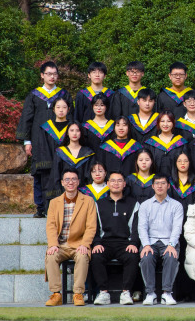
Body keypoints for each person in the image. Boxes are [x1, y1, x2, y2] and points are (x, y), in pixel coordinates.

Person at [16, 61, 69, 217]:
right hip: (39, 141)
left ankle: (60, 206)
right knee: (40, 172)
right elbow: (27, 118)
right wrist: (27, 142)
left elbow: (71, 117)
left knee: (61, 172)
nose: (52, 77)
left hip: (61, 140)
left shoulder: (64, 95)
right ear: (42, 75)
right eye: (49, 74)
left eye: (55, 74)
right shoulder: (34, 95)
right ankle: (40, 207)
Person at [44, 169, 97, 306]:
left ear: (78, 182)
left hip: (78, 244)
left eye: (74, 179)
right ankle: (56, 294)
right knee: (51, 256)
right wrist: (53, 244)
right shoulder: (54, 202)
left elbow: (91, 226)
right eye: (67, 179)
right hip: (61, 245)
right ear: (62, 183)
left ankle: (78, 294)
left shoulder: (88, 201)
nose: (70, 182)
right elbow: (51, 226)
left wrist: (85, 244)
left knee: (82, 256)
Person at [90, 171, 140, 306]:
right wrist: (96, 243)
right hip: (105, 243)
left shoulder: (133, 203)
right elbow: (94, 227)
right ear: (107, 184)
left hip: (125, 243)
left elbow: (136, 227)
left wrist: (134, 242)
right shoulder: (99, 204)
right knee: (96, 256)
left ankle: (126, 292)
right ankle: (103, 292)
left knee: (132, 256)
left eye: (119, 181)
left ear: (124, 184)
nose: (116, 183)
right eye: (112, 181)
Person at [138, 174, 184, 305]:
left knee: (171, 256)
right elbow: (142, 227)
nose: (160, 186)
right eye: (157, 183)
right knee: (146, 257)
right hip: (150, 242)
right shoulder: (145, 205)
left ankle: (166, 293)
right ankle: (150, 293)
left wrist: (171, 244)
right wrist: (146, 245)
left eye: (163, 183)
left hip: (168, 241)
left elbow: (177, 228)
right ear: (152, 186)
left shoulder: (176, 205)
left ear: (168, 186)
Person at [45, 121, 95, 199]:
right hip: (63, 193)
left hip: (83, 194)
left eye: (77, 130)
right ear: (67, 133)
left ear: (81, 133)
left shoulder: (88, 153)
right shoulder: (60, 152)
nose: (74, 133)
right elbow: (56, 174)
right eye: (72, 130)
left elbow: (90, 177)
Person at [143, 111, 189, 177]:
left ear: (173, 122)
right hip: (156, 181)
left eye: (169, 121)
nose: (165, 124)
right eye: (162, 121)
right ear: (158, 123)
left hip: (176, 181)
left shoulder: (181, 142)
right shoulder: (151, 143)